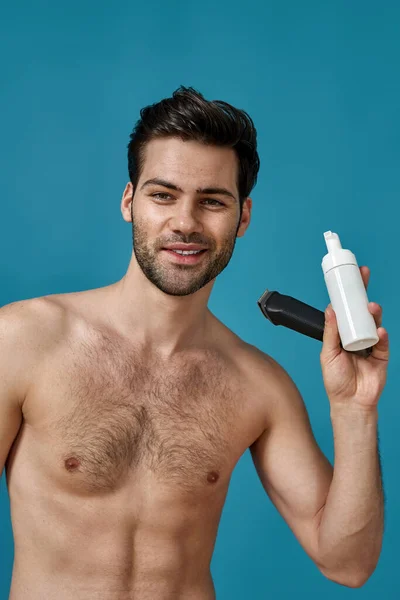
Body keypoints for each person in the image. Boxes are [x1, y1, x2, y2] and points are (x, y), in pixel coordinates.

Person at [1, 86, 385, 599]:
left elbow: (348, 563)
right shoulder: (24, 340)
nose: (185, 222)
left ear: (242, 218)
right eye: (163, 195)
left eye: (212, 201)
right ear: (128, 201)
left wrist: (356, 409)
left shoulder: (258, 385)